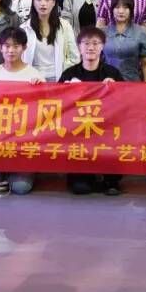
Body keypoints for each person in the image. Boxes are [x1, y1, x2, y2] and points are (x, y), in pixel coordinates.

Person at [0, 27, 45, 195]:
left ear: (24, 48)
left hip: (25, 141)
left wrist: (40, 88)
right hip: (0, 139)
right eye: (7, 46)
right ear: (0, 48)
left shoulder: (35, 76)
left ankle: (22, 172)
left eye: (16, 46)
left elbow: (44, 112)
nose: (11, 50)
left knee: (20, 188)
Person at [60, 26, 125, 195]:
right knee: (80, 188)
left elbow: (125, 104)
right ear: (79, 47)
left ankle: (110, 179)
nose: (91, 47)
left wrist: (115, 90)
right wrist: (66, 91)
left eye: (95, 43)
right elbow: (58, 107)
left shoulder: (112, 73)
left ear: (102, 47)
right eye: (86, 43)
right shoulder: (69, 74)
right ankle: (84, 176)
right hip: (78, 131)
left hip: (105, 129)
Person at [23, 0, 80, 83]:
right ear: (33, 2)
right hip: (33, 79)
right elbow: (20, 59)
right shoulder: (24, 28)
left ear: (54, 2)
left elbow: (74, 57)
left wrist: (65, 75)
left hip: (60, 78)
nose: (43, 3)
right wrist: (32, 76)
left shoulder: (65, 26)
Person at [102, 0, 146, 81]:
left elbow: (145, 63)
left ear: (131, 10)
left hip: (132, 83)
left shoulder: (141, 32)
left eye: (125, 7)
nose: (121, 11)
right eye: (117, 7)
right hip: (108, 83)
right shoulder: (102, 32)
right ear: (112, 10)